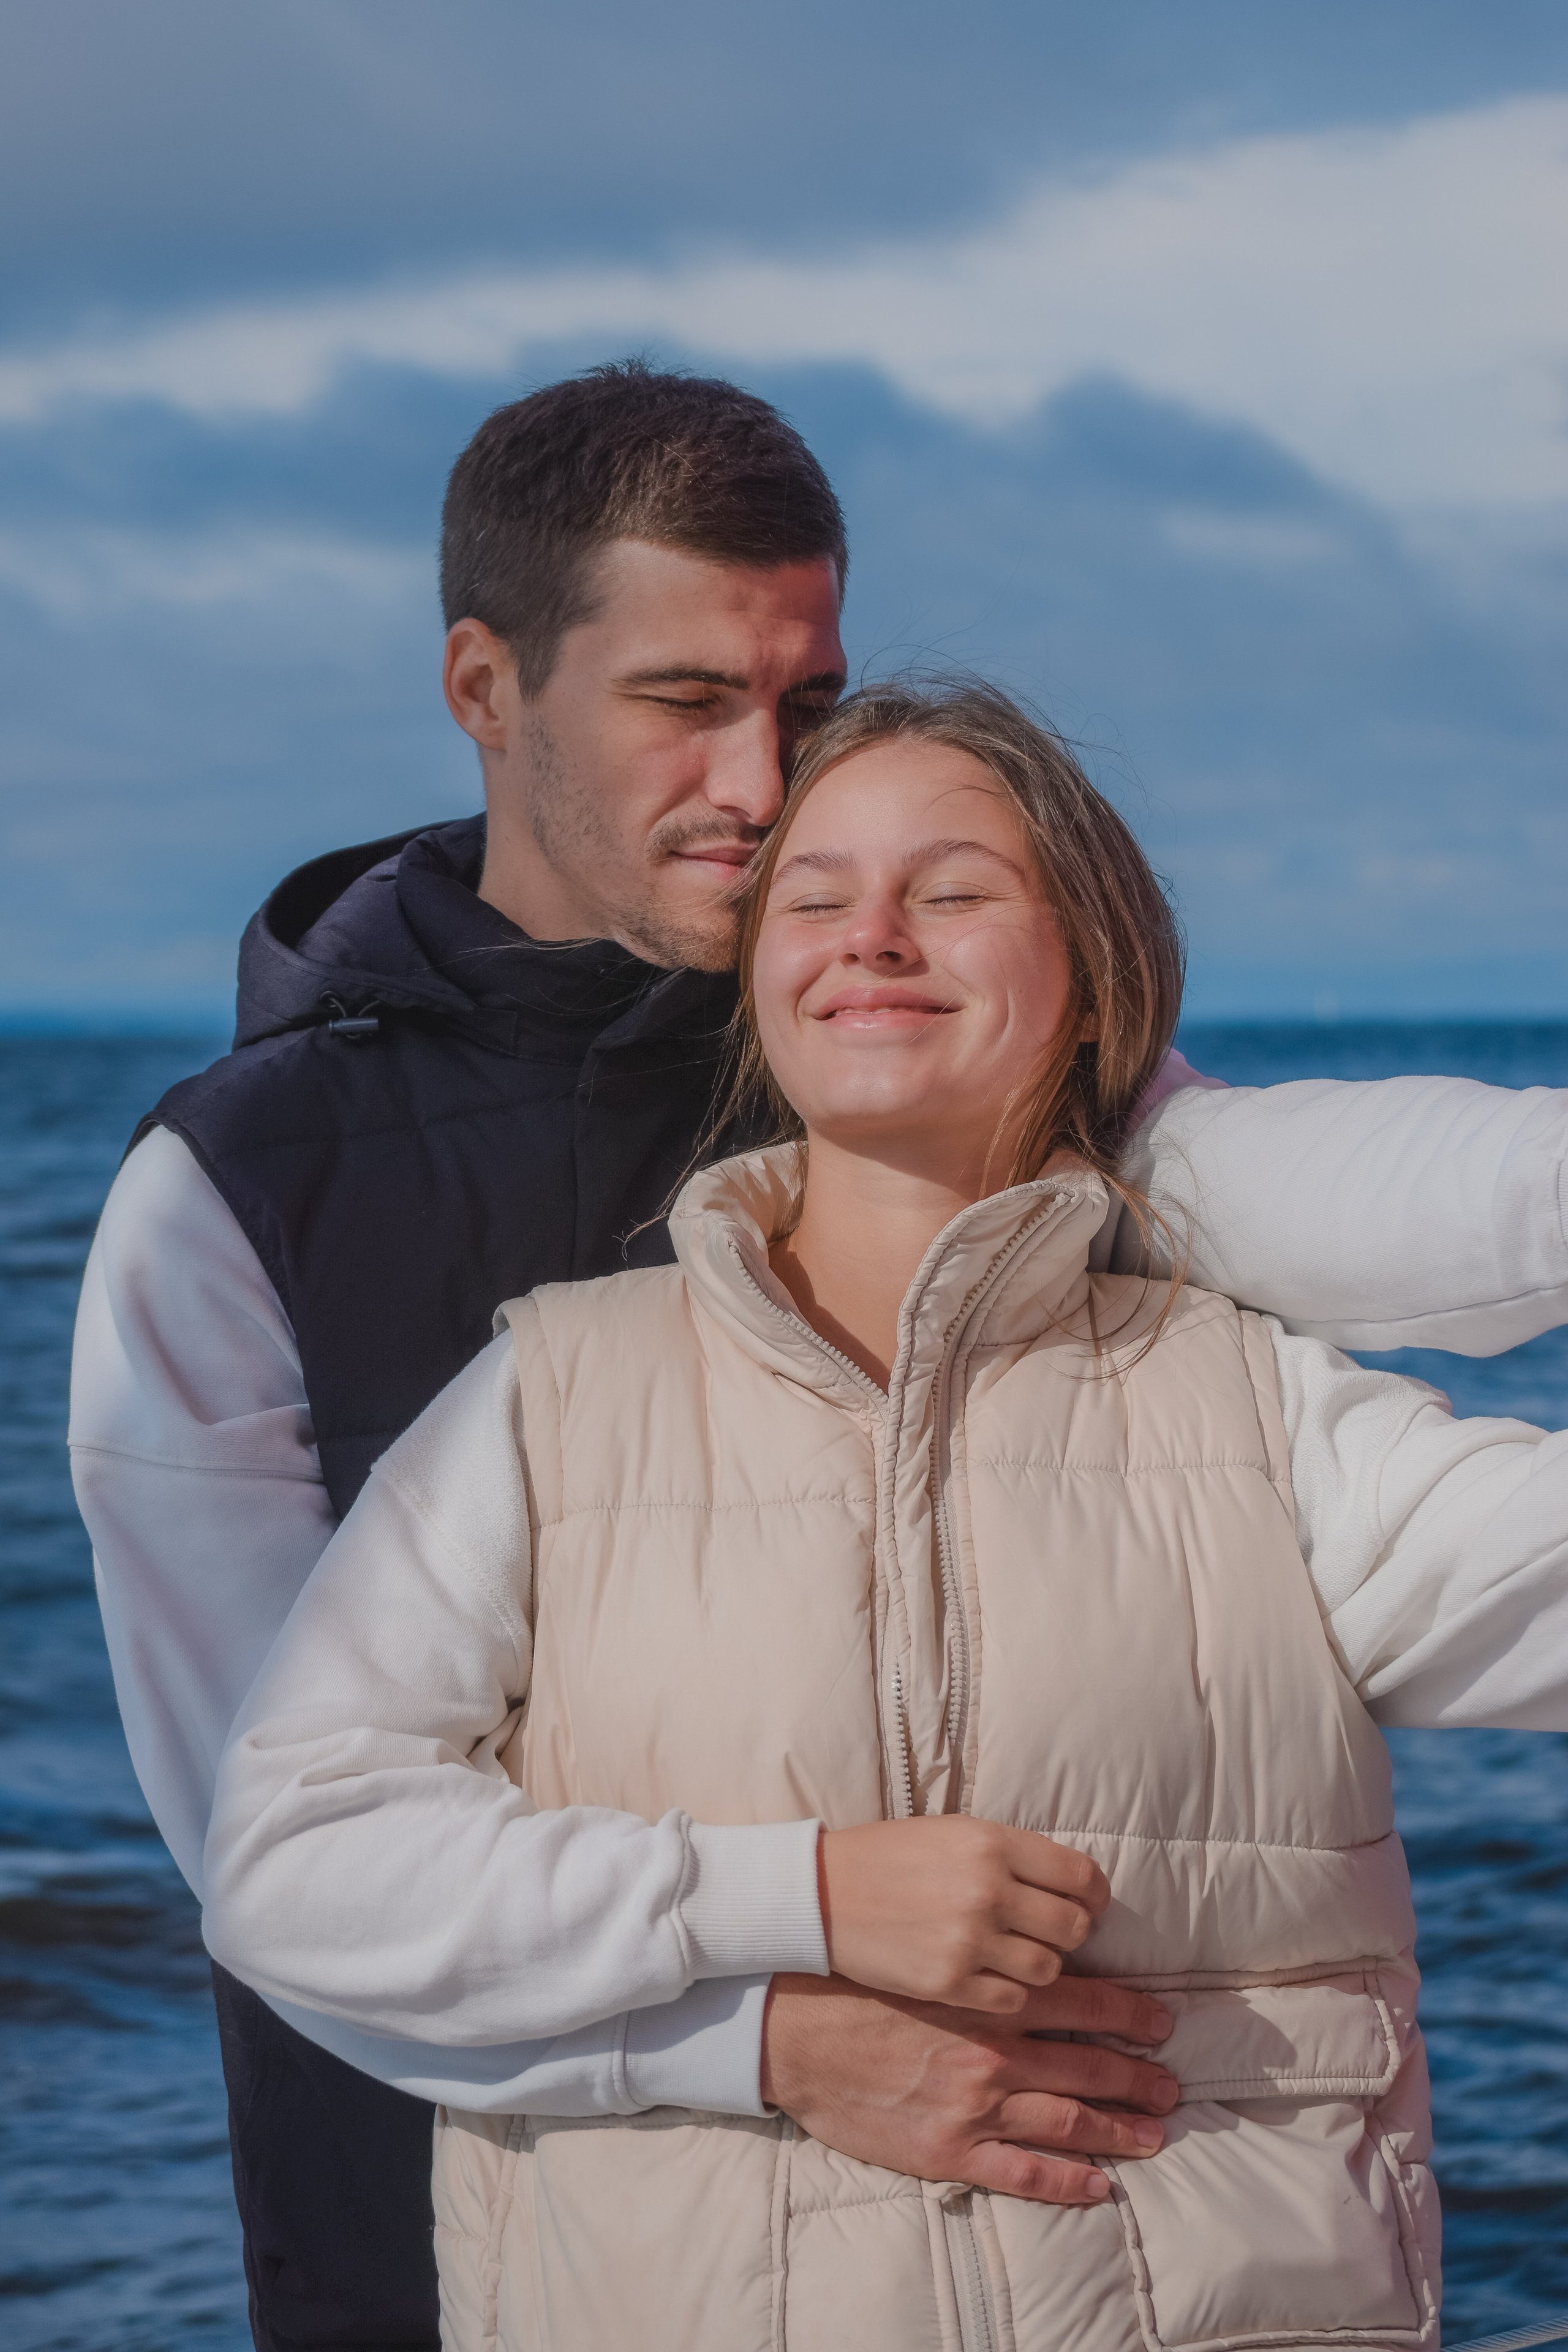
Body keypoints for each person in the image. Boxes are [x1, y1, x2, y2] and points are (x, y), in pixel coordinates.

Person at [70, 367, 1568, 2351]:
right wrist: (769, 2036)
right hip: (479, 2244)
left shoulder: (915, 1046)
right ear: (483, 686)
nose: (767, 787)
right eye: (687, 702)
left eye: (808, 699)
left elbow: (1248, 1185)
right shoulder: (232, 1194)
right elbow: (284, 1875)